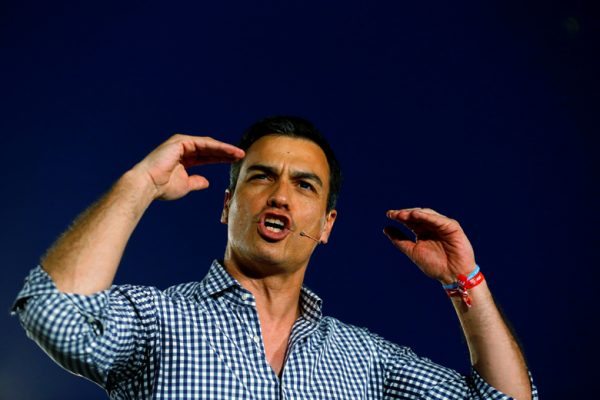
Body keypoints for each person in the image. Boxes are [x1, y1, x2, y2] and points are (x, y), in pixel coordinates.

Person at [12, 116, 536, 399]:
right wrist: (138, 186)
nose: (281, 195)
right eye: (262, 176)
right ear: (227, 205)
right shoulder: (158, 321)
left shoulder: (365, 360)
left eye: (305, 185)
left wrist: (464, 280)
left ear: (327, 226)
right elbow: (53, 313)